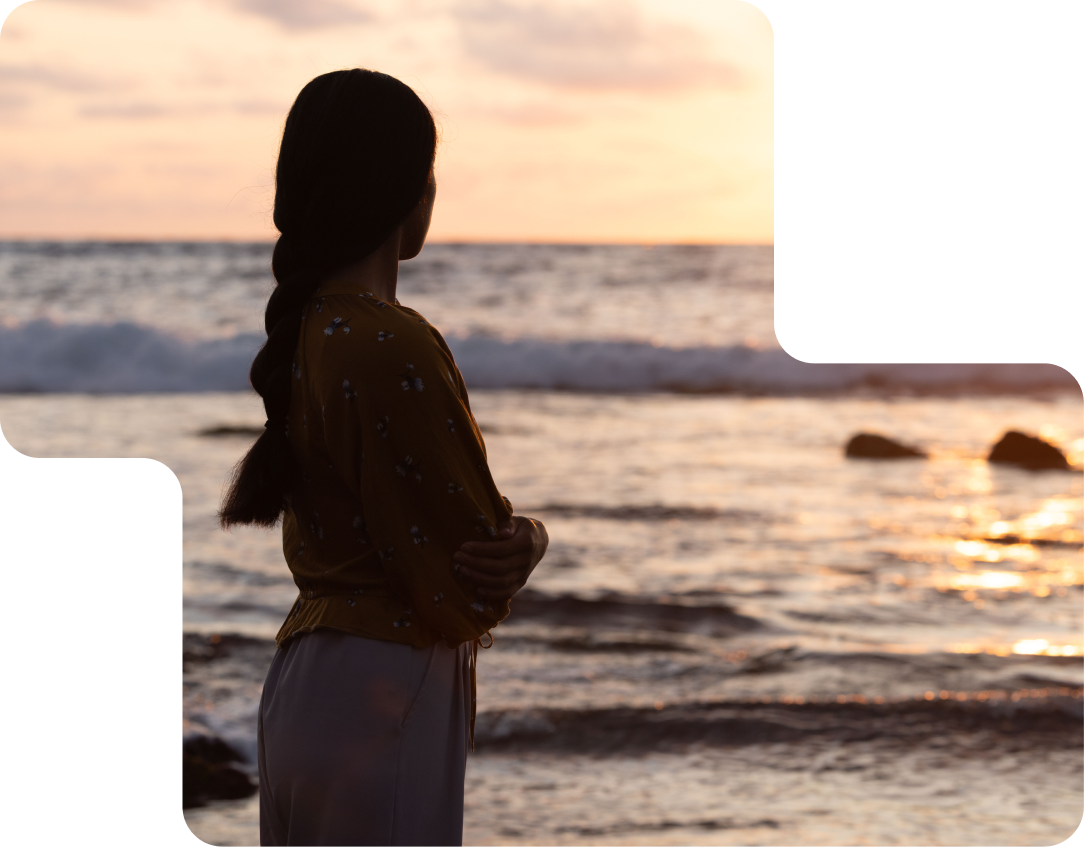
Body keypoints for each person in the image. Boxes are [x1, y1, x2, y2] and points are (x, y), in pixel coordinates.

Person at [218, 68, 549, 847]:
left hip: (303, 688)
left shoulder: (309, 333)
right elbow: (471, 568)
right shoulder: (389, 339)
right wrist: (531, 538)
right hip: (385, 690)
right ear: (406, 189)